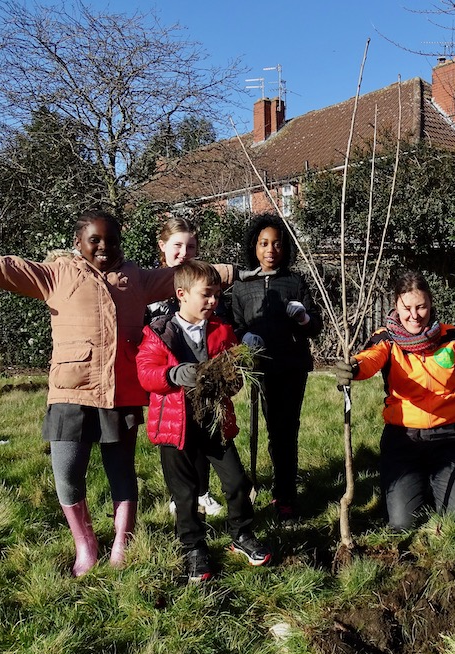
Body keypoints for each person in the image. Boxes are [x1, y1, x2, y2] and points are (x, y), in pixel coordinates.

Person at [0, 210, 235, 577]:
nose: (104, 246)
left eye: (111, 239)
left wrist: (237, 272)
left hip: (120, 392)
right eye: (94, 240)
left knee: (121, 472)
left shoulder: (137, 279)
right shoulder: (55, 274)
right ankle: (85, 544)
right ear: (78, 242)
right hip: (71, 389)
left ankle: (122, 541)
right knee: (67, 473)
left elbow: (193, 276)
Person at [137, 260, 271, 582]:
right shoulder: (159, 332)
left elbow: (234, 378)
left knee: (236, 482)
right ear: (181, 294)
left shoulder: (221, 331)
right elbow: (145, 372)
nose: (213, 301)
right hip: (175, 426)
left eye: (217, 295)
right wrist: (172, 374)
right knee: (185, 492)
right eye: (206, 294)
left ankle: (241, 533)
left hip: (214, 422)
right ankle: (193, 546)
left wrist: (236, 373)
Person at [334, 270, 455, 531]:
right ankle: (419, 484)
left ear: (431, 303)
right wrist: (354, 367)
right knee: (402, 523)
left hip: (450, 437)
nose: (414, 315)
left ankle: (439, 482)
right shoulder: (386, 339)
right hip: (403, 440)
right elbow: (370, 358)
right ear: (396, 306)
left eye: (421, 307)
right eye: (407, 308)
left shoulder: (451, 338)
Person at [231, 213, 322, 523]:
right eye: (264, 243)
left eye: (277, 244)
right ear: (254, 246)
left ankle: (285, 496)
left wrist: (303, 318)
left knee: (287, 430)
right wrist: (244, 336)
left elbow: (315, 325)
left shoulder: (294, 282)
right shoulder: (243, 285)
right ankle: (268, 485)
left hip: (292, 365)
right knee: (271, 429)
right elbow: (235, 323)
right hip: (261, 367)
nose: (271, 250)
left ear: (285, 248)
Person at [146, 217, 225, 519]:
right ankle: (179, 495)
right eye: (177, 245)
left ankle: (202, 491)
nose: (184, 252)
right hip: (166, 380)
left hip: (201, 380)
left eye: (190, 246)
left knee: (203, 434)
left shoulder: (202, 283)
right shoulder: (150, 287)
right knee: (173, 439)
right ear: (162, 246)